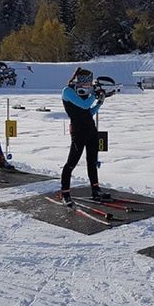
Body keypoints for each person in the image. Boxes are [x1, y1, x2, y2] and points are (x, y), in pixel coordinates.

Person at [59, 67, 110, 205]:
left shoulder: (84, 93)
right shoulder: (67, 91)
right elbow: (84, 105)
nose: (89, 86)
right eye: (87, 83)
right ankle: (65, 193)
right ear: (79, 81)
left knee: (92, 161)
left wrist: (100, 102)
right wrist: (95, 95)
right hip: (78, 132)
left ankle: (95, 189)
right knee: (71, 163)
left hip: (90, 130)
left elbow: (89, 112)